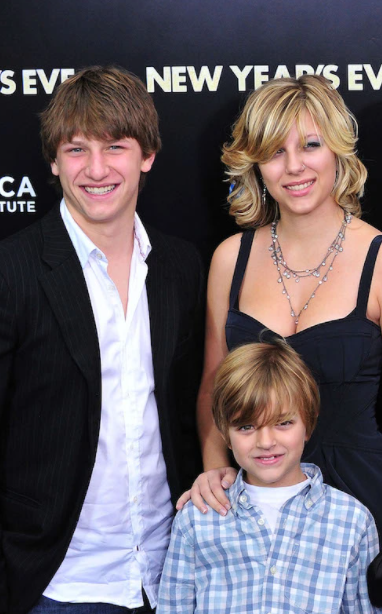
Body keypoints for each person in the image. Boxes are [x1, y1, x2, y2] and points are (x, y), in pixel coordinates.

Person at [181, 75, 382, 612]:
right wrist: (216, 470)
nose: (295, 167)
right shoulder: (229, 260)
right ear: (255, 164)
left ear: (338, 151)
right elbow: (214, 391)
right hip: (257, 499)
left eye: (310, 145)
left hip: (366, 505)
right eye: (275, 152)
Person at [0, 66, 204, 614]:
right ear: (52, 161)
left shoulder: (182, 267)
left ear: (148, 154)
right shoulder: (12, 270)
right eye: (75, 150)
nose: (95, 170)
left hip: (174, 572)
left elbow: (194, 408)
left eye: (115, 146)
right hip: (60, 582)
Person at [159, 340, 382, 613]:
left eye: (283, 423)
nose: (266, 441)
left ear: (308, 424)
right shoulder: (197, 518)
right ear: (224, 434)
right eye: (246, 426)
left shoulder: (352, 521)